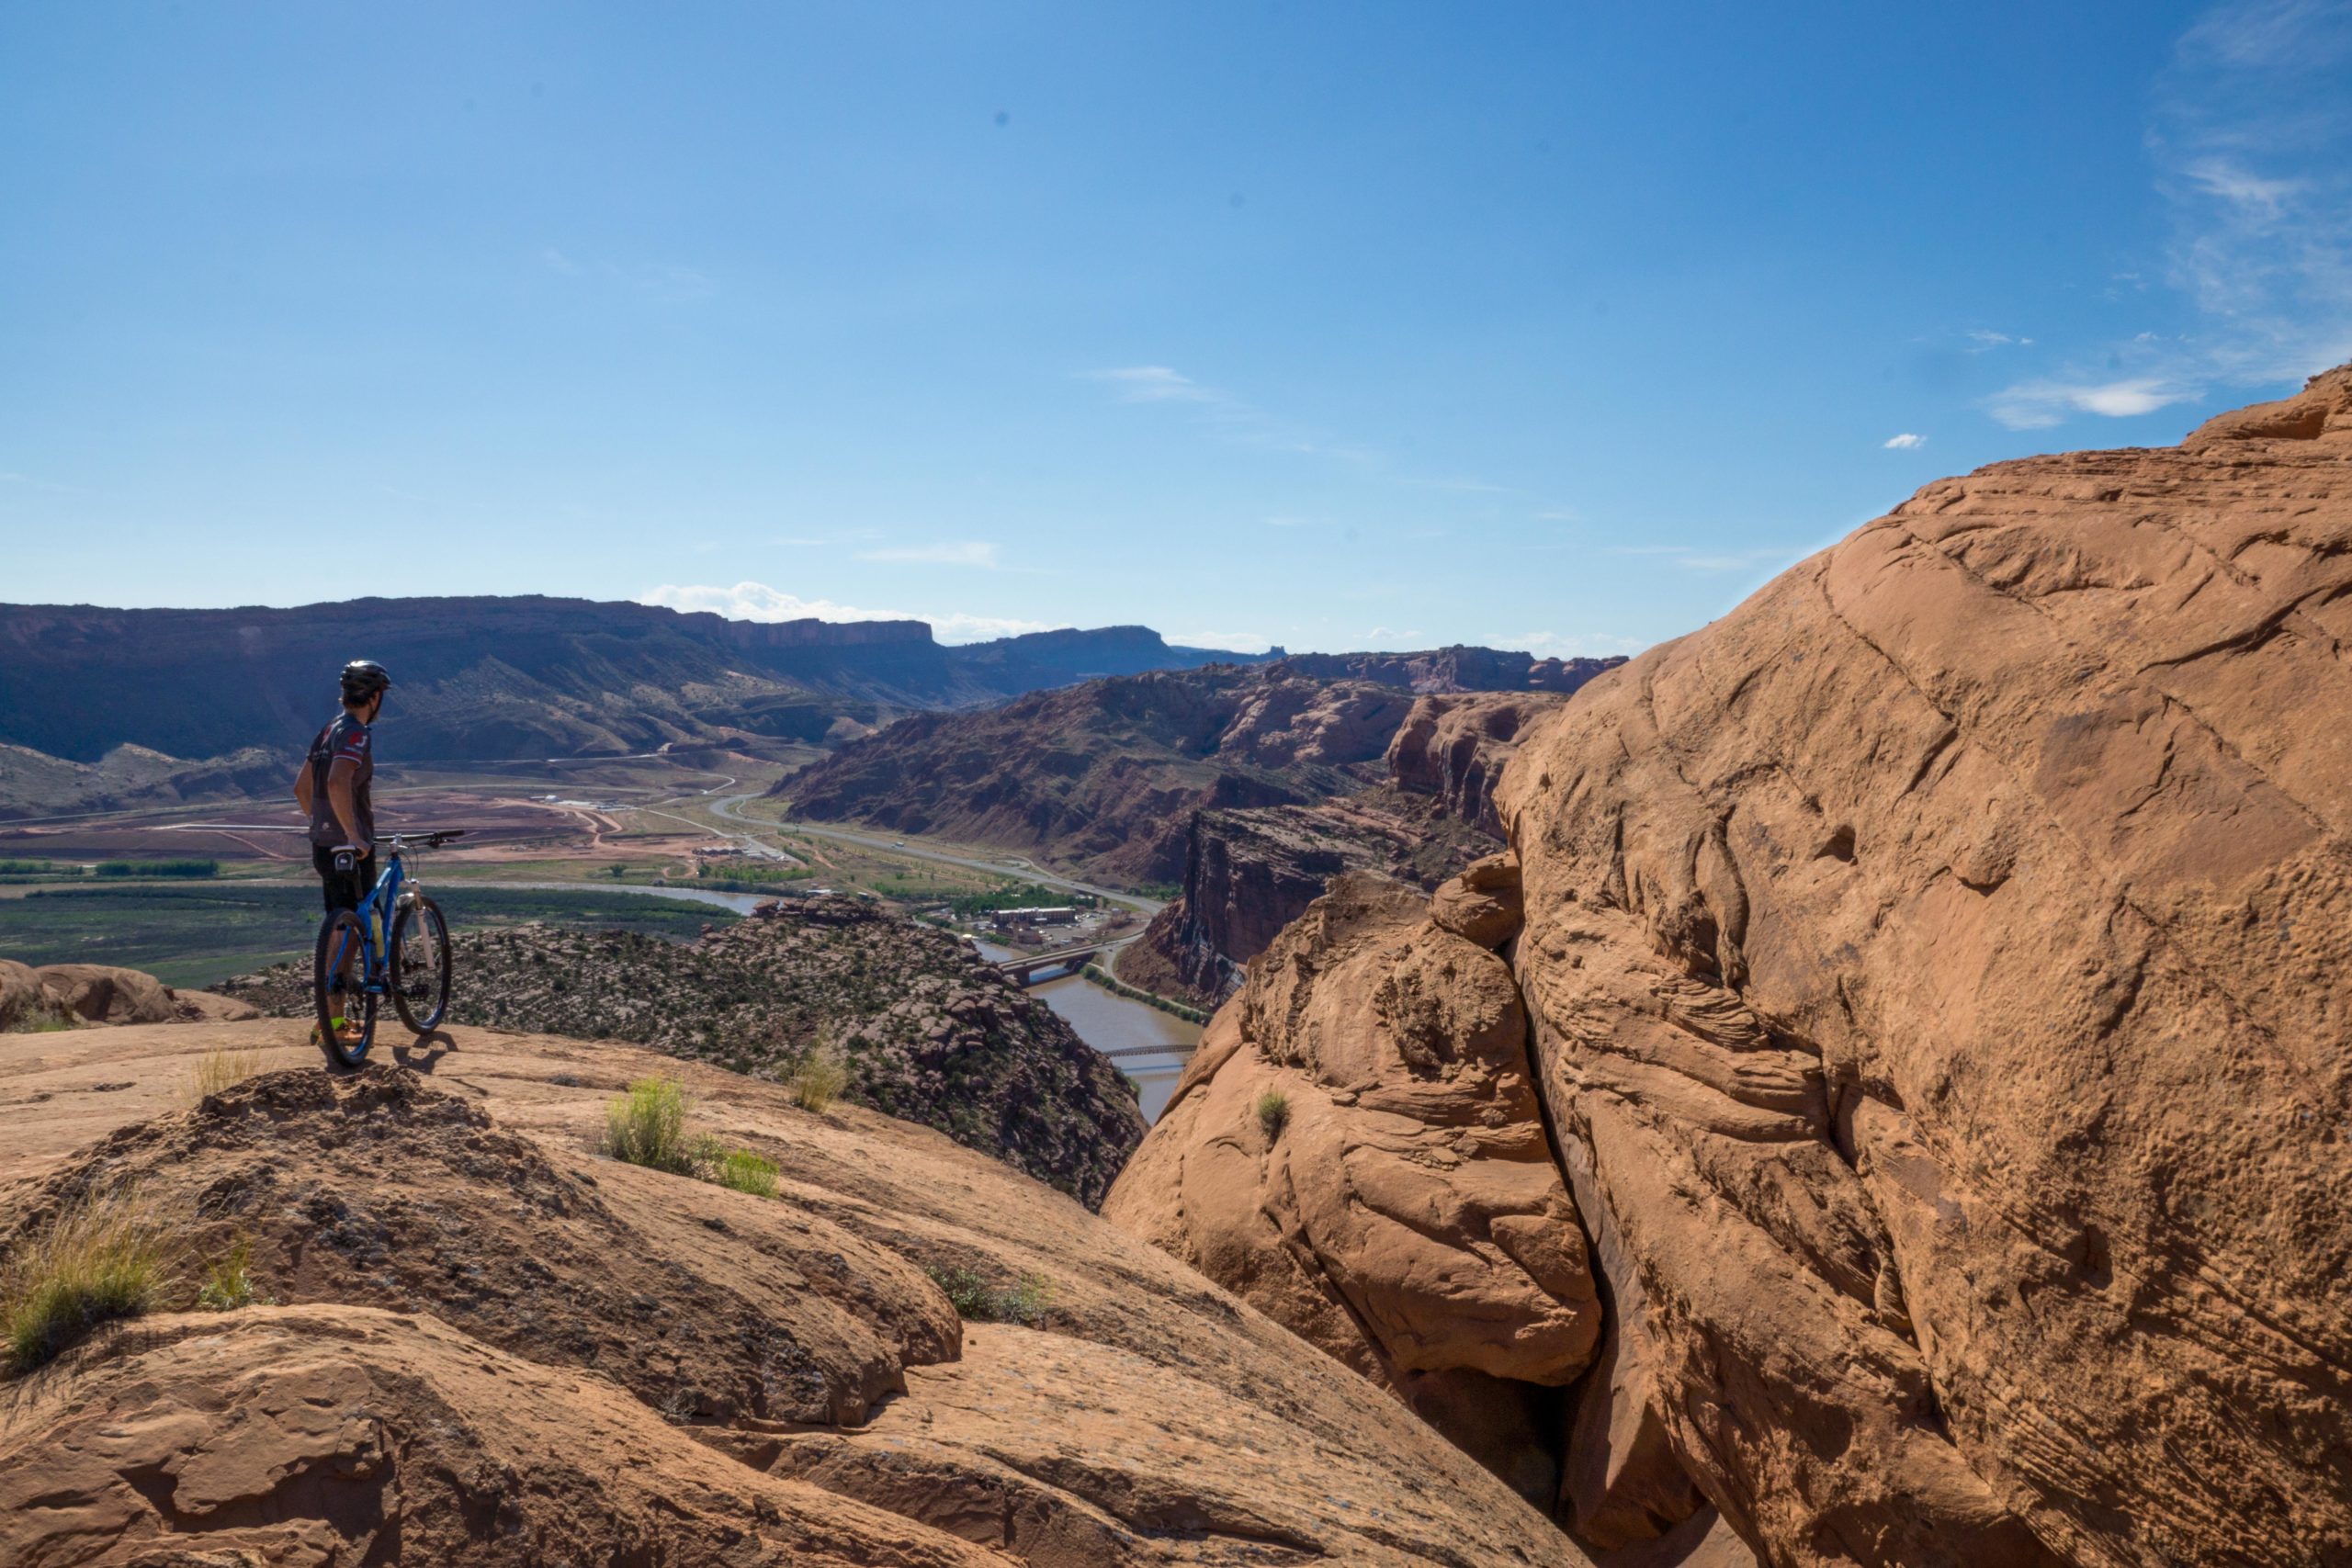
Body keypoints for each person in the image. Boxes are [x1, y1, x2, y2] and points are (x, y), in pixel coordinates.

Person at [293, 660, 391, 1043]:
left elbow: (302, 788)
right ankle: (334, 1022)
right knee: (350, 928)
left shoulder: (327, 730)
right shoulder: (355, 734)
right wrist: (352, 835)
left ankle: (330, 1017)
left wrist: (322, 826)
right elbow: (336, 782)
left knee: (339, 922)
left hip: (323, 845)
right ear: (376, 696)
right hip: (349, 849)